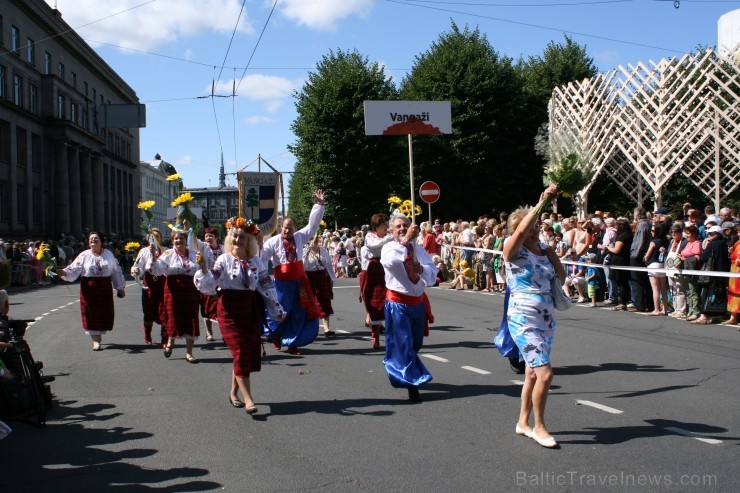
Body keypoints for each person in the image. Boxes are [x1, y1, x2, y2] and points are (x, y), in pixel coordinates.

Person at [194, 217, 285, 416]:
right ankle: (249, 399)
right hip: (229, 311)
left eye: (242, 237)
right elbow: (210, 283)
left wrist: (276, 309)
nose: (237, 240)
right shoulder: (224, 259)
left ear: (249, 240)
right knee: (240, 351)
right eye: (234, 236)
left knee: (243, 354)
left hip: (249, 310)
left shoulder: (255, 261)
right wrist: (202, 269)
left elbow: (266, 286)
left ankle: (233, 393)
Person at [503, 183, 564, 449]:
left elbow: (560, 279)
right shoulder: (512, 249)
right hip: (523, 319)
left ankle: (522, 422)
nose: (537, 227)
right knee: (545, 374)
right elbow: (520, 231)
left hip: (546, 320)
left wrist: (553, 257)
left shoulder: (543, 250)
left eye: (538, 224)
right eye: (532, 225)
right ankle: (540, 427)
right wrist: (541, 201)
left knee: (531, 374)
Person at [380, 213, 437, 402]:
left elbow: (432, 271)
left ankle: (404, 366)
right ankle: (413, 383)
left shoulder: (418, 249)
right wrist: (404, 242)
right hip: (398, 303)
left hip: (417, 303)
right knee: (404, 344)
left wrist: (420, 268)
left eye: (405, 225)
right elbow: (391, 262)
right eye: (398, 226)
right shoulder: (389, 247)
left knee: (415, 343)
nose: (402, 228)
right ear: (391, 230)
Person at [261, 189, 325, 355]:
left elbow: (313, 225)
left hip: (299, 281)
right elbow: (261, 259)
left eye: (290, 227)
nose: (286, 230)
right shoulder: (273, 242)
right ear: (280, 228)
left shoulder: (300, 237)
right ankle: (275, 335)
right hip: (281, 283)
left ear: (295, 228)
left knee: (299, 312)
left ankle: (292, 343)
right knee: (280, 311)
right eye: (284, 227)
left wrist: (318, 205)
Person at [58, 232, 126, 351]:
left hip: (104, 287)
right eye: (91, 239)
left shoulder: (109, 254)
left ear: (101, 241)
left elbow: (116, 271)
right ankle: (95, 340)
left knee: (103, 313)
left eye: (96, 238)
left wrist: (120, 287)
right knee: (90, 313)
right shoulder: (84, 255)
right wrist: (64, 272)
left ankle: (98, 336)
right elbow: (74, 268)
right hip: (88, 288)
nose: (93, 240)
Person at [148, 229, 202, 363]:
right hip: (173, 291)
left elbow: (202, 270)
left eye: (181, 238)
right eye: (175, 239)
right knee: (173, 318)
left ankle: (189, 353)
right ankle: (170, 342)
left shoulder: (194, 254)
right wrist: (153, 256)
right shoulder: (168, 254)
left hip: (191, 291)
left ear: (186, 241)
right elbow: (156, 270)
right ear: (172, 241)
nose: (178, 241)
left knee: (191, 320)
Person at [360, 213, 392, 349]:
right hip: (375, 269)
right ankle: (376, 336)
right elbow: (374, 246)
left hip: (388, 268)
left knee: (390, 302)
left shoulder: (388, 236)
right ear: (376, 227)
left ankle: (392, 337)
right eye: (383, 225)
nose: (386, 227)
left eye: (386, 224)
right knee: (375, 302)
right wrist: (390, 238)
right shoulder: (370, 237)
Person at [131, 228, 167, 346]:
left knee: (164, 311)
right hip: (150, 284)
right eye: (152, 237)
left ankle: (164, 338)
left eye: (157, 236)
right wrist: (136, 271)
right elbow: (139, 265)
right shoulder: (143, 251)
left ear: (161, 238)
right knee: (148, 311)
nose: (155, 239)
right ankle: (147, 334)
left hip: (163, 284)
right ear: (148, 239)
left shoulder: (166, 251)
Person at [303, 235, 336, 338]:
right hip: (309, 277)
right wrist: (308, 252)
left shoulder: (323, 250)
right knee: (309, 302)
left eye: (315, 238)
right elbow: (303, 266)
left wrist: (332, 278)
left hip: (321, 276)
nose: (314, 240)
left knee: (324, 301)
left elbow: (329, 264)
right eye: (311, 238)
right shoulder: (304, 251)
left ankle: (327, 328)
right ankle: (308, 328)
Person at [198, 227, 222, 342]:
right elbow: (193, 241)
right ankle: (209, 332)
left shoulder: (223, 248)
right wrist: (188, 228)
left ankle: (224, 332)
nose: (208, 238)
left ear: (216, 237)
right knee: (206, 309)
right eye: (206, 236)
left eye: (210, 236)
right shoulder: (203, 247)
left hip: (221, 282)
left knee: (221, 308)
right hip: (208, 282)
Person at [605, 218, 633, 311]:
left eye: (617, 226)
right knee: (624, 283)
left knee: (621, 282)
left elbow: (616, 250)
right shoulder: (630, 235)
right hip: (625, 260)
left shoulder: (622, 237)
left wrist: (608, 247)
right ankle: (625, 301)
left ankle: (622, 303)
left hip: (619, 261)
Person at [645, 221, 670, 315]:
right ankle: (665, 309)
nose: (651, 232)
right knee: (663, 288)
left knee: (655, 289)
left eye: (653, 230)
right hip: (662, 265)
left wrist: (645, 259)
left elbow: (647, 255)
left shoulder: (653, 241)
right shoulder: (666, 241)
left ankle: (656, 309)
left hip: (653, 264)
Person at [680, 225, 703, 321]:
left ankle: (696, 311)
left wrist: (684, 259)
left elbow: (697, 258)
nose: (686, 235)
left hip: (692, 271)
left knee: (693, 291)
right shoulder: (688, 243)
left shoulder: (696, 243)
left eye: (688, 233)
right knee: (688, 292)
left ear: (694, 234)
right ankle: (690, 310)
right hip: (686, 270)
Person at [722, 226, 740, 326]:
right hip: (734, 271)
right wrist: (731, 252)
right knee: (733, 294)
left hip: (738, 271)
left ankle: (735, 317)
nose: (739, 234)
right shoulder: (737, 243)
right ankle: (733, 317)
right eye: (738, 232)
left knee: (738, 295)